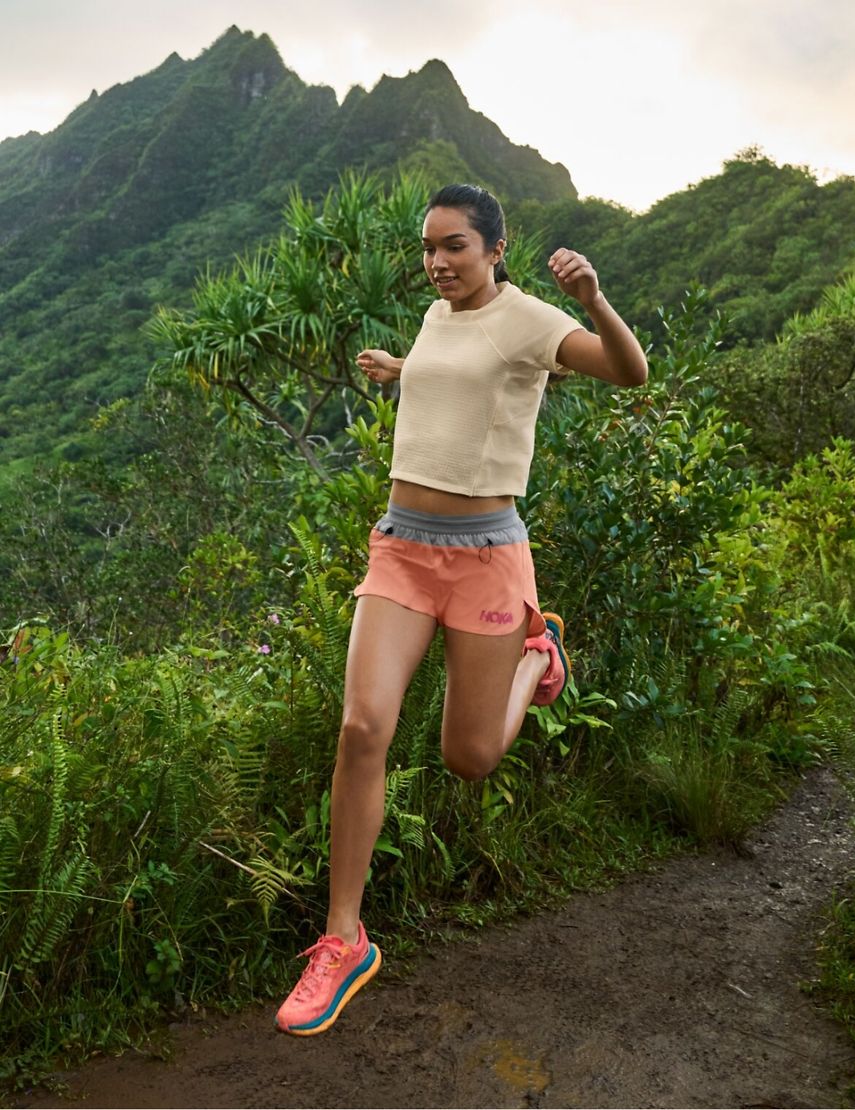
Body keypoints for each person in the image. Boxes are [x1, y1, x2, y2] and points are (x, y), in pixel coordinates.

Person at [275, 183, 647, 1036]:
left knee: (469, 760)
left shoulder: (532, 321)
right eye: (428, 249)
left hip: (484, 560)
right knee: (361, 729)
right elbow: (457, 374)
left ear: (494, 250)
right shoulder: (439, 316)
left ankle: (535, 658)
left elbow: (631, 373)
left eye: (454, 248)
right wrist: (402, 370)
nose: (437, 263)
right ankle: (344, 941)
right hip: (402, 548)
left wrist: (592, 300)